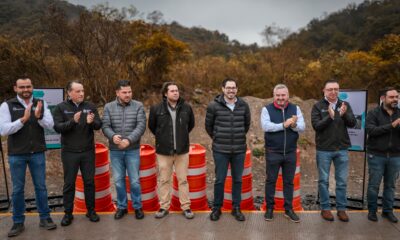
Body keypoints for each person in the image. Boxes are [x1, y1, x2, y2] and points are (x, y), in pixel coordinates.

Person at [0, 77, 57, 237]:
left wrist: (38, 117)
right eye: (22, 87)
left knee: (41, 187)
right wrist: (23, 120)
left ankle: (45, 218)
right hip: (16, 154)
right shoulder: (7, 105)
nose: (26, 89)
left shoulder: (41, 103)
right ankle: (18, 222)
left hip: (37, 152)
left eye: (28, 86)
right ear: (15, 88)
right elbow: (3, 130)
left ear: (32, 87)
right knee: (18, 190)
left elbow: (50, 124)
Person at [53, 80, 102, 226]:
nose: (81, 94)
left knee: (89, 182)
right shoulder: (61, 108)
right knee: (69, 184)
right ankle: (68, 214)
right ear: (69, 93)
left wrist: (91, 122)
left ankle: (91, 211)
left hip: (87, 152)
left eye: (82, 91)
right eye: (78, 91)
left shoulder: (90, 106)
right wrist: (73, 121)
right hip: (69, 152)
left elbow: (99, 125)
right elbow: (57, 128)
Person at [205, 78, 251, 222]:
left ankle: (236, 208)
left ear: (237, 89)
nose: (231, 90)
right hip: (220, 150)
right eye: (228, 88)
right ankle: (217, 208)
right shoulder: (213, 106)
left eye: (234, 88)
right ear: (223, 89)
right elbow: (208, 126)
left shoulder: (243, 105)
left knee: (237, 180)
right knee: (220, 180)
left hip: (239, 149)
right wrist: (218, 137)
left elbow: (246, 125)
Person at [311, 79, 356, 222]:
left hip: (341, 149)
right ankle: (325, 208)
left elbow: (353, 123)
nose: (333, 92)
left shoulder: (345, 105)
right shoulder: (318, 106)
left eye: (336, 89)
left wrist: (344, 114)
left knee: (341, 181)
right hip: (324, 150)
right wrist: (329, 117)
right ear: (324, 91)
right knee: (323, 181)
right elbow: (316, 126)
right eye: (330, 89)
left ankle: (341, 209)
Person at [148, 82, 195, 219]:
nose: (176, 93)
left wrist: (181, 138)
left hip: (182, 151)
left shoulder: (186, 108)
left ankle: (186, 207)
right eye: (172, 91)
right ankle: (164, 207)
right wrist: (163, 138)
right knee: (164, 180)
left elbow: (190, 125)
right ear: (165, 93)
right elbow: (152, 127)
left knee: (183, 180)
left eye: (177, 90)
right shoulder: (156, 109)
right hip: (163, 152)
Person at [102, 80, 146, 220]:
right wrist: (113, 136)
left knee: (134, 180)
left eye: (129, 92)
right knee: (119, 181)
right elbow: (105, 126)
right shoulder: (108, 107)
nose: (128, 95)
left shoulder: (138, 106)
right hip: (115, 151)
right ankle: (122, 207)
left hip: (132, 149)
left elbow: (141, 126)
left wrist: (128, 140)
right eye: (124, 92)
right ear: (117, 92)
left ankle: (137, 206)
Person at [261, 84, 305, 223]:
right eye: (278, 95)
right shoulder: (266, 109)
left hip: (290, 152)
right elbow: (266, 126)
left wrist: (293, 125)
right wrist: (283, 125)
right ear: (274, 95)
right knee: (271, 181)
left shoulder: (295, 108)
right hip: (273, 152)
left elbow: (303, 127)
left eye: (283, 95)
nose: (280, 98)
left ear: (288, 95)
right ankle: (269, 209)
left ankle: (289, 209)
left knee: (288, 182)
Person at [366, 87, 400, 223]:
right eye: (391, 97)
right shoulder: (373, 113)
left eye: (397, 97)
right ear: (383, 98)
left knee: (390, 186)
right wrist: (391, 125)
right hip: (376, 155)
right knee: (374, 185)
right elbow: (371, 130)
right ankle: (372, 211)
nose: (395, 99)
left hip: (395, 156)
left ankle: (387, 211)